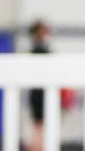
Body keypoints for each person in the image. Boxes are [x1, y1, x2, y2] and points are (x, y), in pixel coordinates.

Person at [27, 20, 51, 151]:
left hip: (41, 92)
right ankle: (36, 147)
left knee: (40, 124)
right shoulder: (38, 50)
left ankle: (37, 146)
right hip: (39, 93)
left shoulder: (40, 48)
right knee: (38, 124)